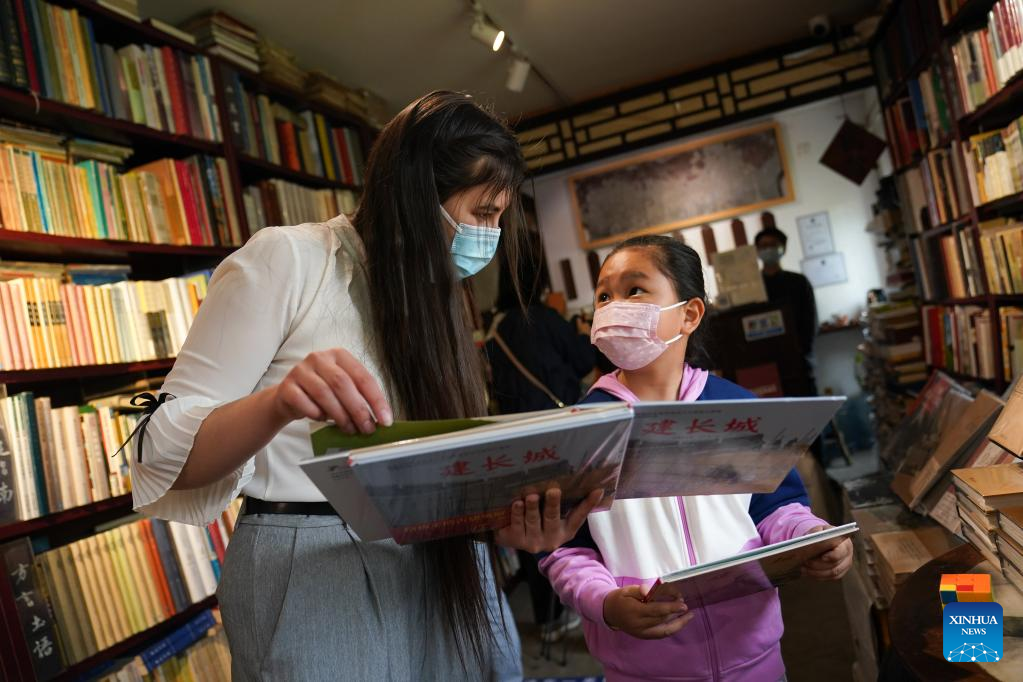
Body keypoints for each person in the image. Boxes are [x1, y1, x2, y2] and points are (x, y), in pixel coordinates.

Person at [129, 91, 603, 681]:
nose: (492, 234)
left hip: (444, 559)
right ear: (414, 193)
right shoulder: (290, 260)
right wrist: (278, 403)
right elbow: (157, 447)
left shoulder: (437, 297)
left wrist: (505, 522)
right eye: (483, 213)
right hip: (314, 564)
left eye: (499, 217)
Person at [540, 235, 853, 682]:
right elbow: (566, 549)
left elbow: (777, 506)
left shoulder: (736, 410)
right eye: (604, 295)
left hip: (755, 653)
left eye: (634, 290)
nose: (612, 307)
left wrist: (813, 536)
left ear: (689, 314)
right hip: (643, 665)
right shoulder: (584, 430)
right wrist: (605, 604)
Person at [485, 232, 594, 642]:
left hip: (516, 442)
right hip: (560, 439)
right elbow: (585, 361)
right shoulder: (547, 319)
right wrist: (580, 332)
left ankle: (547, 618)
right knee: (569, 517)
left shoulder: (495, 328)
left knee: (529, 522)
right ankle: (579, 601)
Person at [754, 213, 818, 394]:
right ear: (757, 251)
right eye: (763, 246)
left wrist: (803, 352)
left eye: (773, 245)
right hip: (763, 365)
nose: (768, 250)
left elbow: (810, 321)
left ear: (783, 248)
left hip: (798, 361)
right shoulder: (752, 287)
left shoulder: (798, 282)